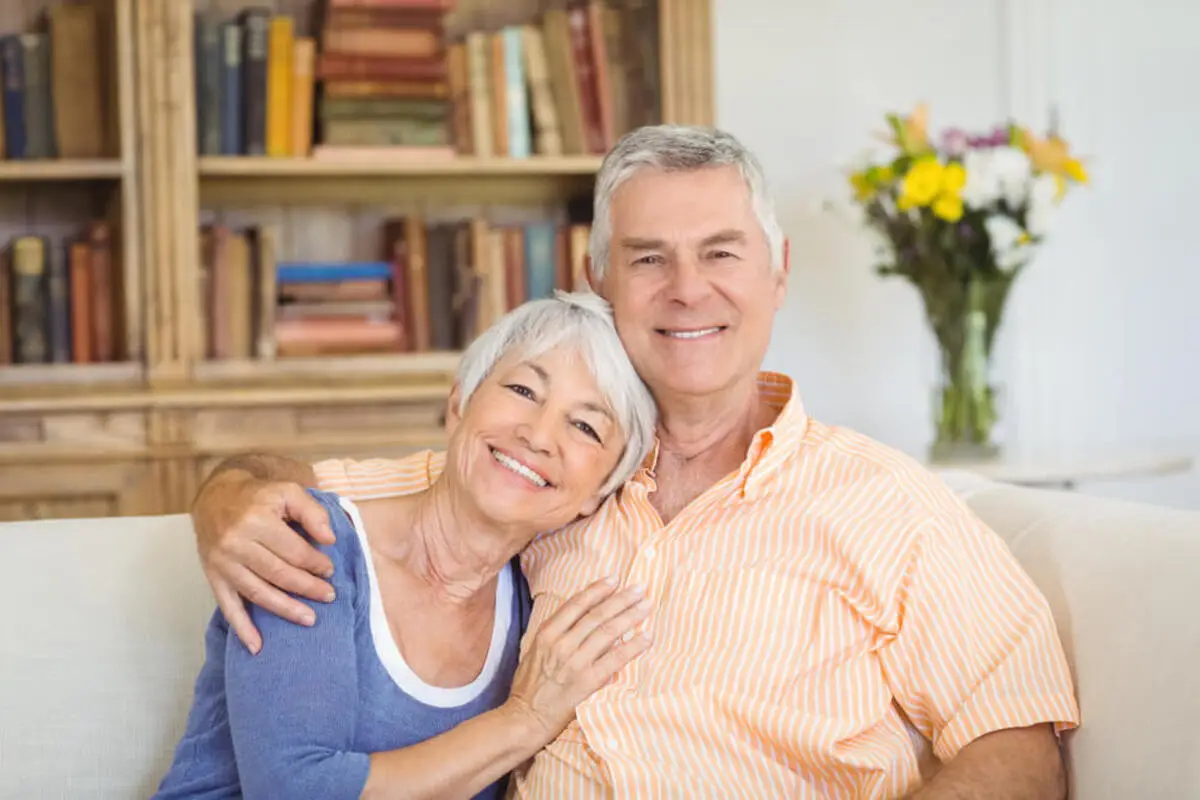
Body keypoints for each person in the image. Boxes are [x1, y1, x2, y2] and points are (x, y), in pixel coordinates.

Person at [190, 125, 1081, 798]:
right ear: (598, 276)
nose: (688, 289)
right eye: (649, 258)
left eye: (721, 254)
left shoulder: (889, 506)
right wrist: (227, 498)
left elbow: (1018, 746)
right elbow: (313, 495)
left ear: (778, 269)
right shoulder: (548, 480)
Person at [154, 292, 658, 799]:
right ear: (459, 405)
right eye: (524, 390)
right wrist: (524, 721)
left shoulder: (537, 612)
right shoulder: (314, 547)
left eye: (586, 426)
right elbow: (296, 791)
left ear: (599, 492)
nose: (539, 435)